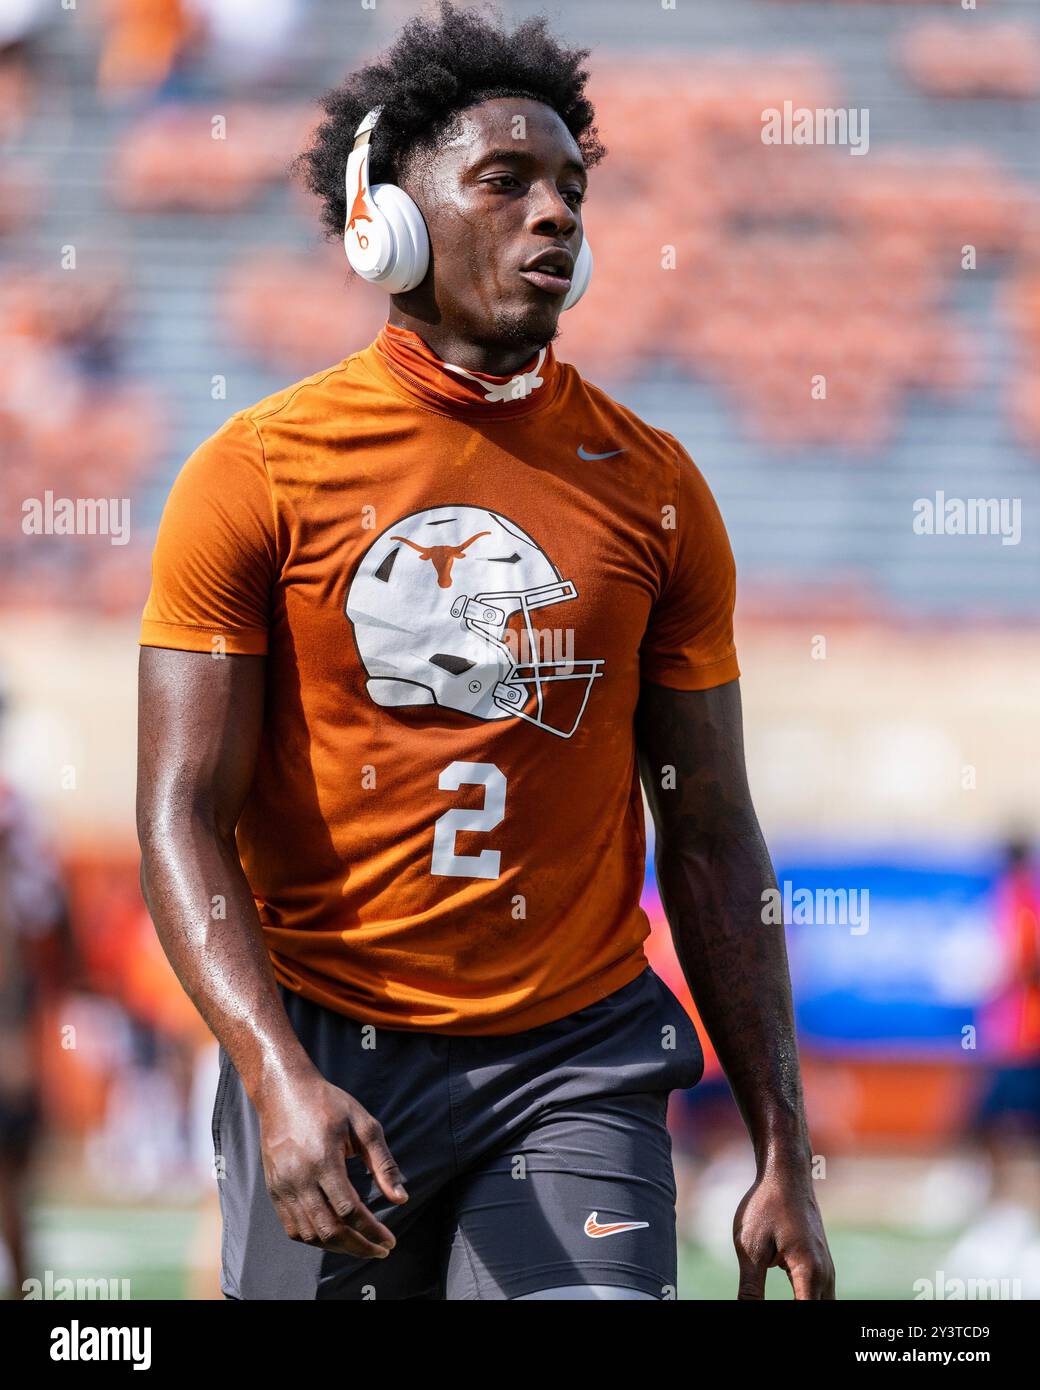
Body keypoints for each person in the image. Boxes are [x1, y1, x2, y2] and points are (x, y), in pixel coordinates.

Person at [136, 1, 834, 1301]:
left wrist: (785, 1141)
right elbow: (180, 814)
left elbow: (713, 829)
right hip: (330, 1048)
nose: (557, 214)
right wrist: (274, 1069)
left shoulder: (656, 486)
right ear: (385, 220)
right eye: (505, 182)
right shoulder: (255, 474)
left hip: (574, 1059)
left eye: (572, 187)